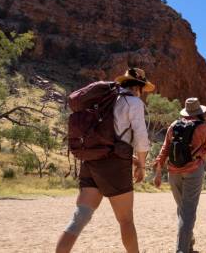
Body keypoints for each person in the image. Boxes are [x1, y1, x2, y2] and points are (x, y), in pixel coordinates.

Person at [56, 68, 155, 253]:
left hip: (91, 161)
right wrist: (141, 165)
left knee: (80, 216)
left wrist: (132, 159)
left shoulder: (104, 100)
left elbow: (105, 139)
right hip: (115, 166)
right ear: (139, 88)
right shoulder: (134, 102)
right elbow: (141, 137)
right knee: (126, 220)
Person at [153, 97, 206, 253]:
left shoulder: (173, 125)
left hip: (173, 172)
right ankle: (182, 250)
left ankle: (188, 241)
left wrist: (158, 172)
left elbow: (164, 149)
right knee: (188, 211)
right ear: (199, 112)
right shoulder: (203, 127)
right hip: (194, 170)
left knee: (183, 209)